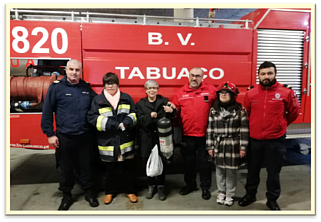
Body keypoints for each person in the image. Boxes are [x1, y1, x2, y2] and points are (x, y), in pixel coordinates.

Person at [238, 61, 299, 210]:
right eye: (263, 73)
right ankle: (250, 195)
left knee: (273, 172)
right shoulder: (251, 92)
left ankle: (272, 199)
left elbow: (293, 113)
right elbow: (247, 113)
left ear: (275, 74)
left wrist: (280, 126)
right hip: (255, 140)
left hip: (276, 140)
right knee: (252, 170)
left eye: (269, 73)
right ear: (258, 75)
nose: (266, 76)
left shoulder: (286, 92)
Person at [41, 59, 99, 210]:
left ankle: (89, 192)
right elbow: (47, 112)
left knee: (86, 166)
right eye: (71, 69)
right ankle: (66, 195)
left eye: (77, 70)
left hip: (84, 136)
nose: (74, 72)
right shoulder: (56, 88)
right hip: (64, 137)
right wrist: (50, 134)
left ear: (81, 72)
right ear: (65, 70)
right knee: (66, 168)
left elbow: (99, 103)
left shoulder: (86, 88)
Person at [87, 72, 138, 205]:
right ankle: (109, 192)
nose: (110, 86)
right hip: (107, 142)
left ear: (117, 84)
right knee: (109, 170)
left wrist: (127, 122)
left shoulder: (126, 98)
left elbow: (135, 114)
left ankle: (129, 191)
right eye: (108, 83)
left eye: (113, 83)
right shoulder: (97, 100)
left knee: (127, 168)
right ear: (104, 85)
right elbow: (92, 118)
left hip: (125, 141)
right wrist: (111, 124)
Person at [171, 67, 217, 200]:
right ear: (188, 76)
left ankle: (205, 188)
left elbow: (220, 106)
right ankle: (190, 185)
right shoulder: (181, 93)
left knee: (205, 164)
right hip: (188, 135)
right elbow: (175, 109)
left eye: (197, 76)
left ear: (202, 78)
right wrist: (170, 109)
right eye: (192, 75)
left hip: (206, 136)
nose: (194, 78)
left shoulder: (211, 90)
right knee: (188, 163)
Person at [206, 81, 249, 206]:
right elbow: (210, 129)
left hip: (233, 145)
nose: (223, 95)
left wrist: (243, 148)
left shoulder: (240, 111)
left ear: (233, 95)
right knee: (219, 171)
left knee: (231, 172)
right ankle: (221, 192)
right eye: (221, 93)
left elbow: (244, 130)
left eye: (227, 93)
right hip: (218, 146)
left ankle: (230, 194)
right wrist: (210, 146)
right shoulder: (213, 111)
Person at [136, 80, 175, 201]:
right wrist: (149, 116)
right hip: (147, 138)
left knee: (162, 162)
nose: (152, 90)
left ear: (158, 89)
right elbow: (138, 120)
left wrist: (172, 111)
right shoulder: (140, 104)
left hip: (162, 138)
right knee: (148, 162)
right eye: (149, 88)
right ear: (146, 90)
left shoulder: (164, 101)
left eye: (154, 88)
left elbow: (172, 116)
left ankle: (161, 187)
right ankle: (151, 186)